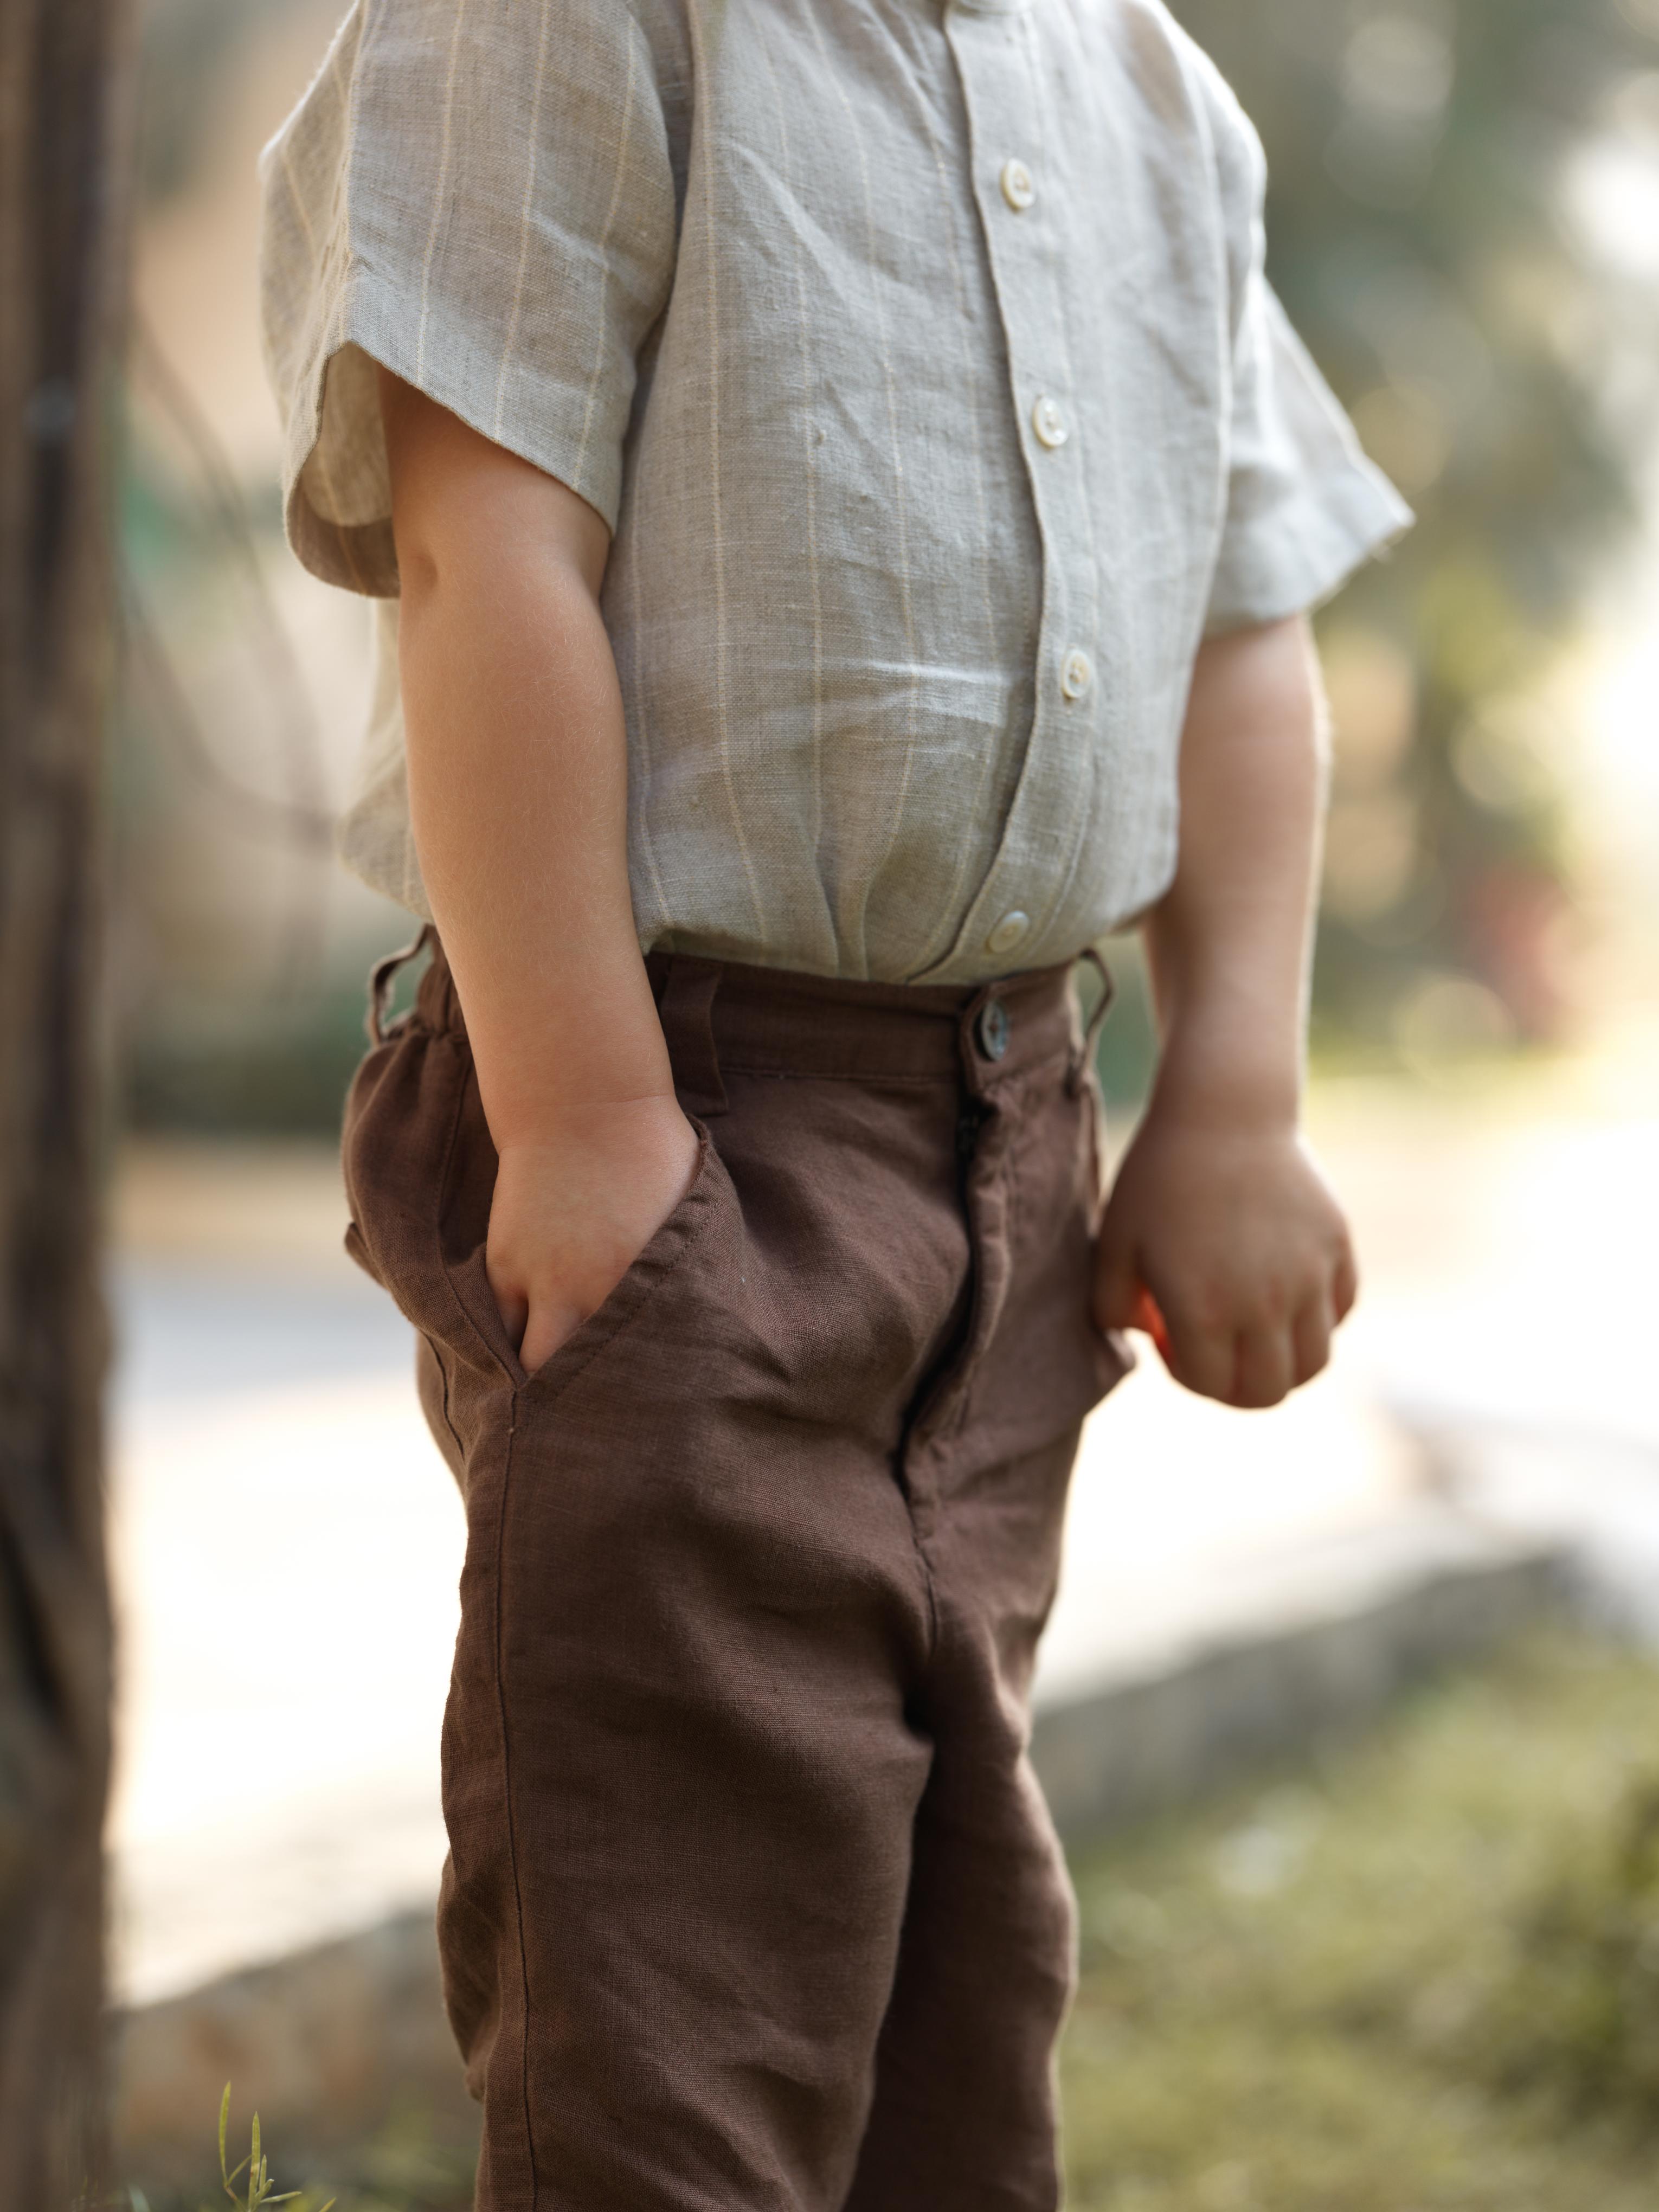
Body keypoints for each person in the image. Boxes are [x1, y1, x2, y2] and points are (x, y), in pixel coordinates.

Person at [260, 0, 1409, 2202]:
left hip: (1015, 1156)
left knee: (961, 1999)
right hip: (680, 1118)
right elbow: (479, 544)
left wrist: (1234, 1094)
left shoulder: (1156, 96)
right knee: (677, 2017)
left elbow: (1246, 624)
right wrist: (587, 1112)